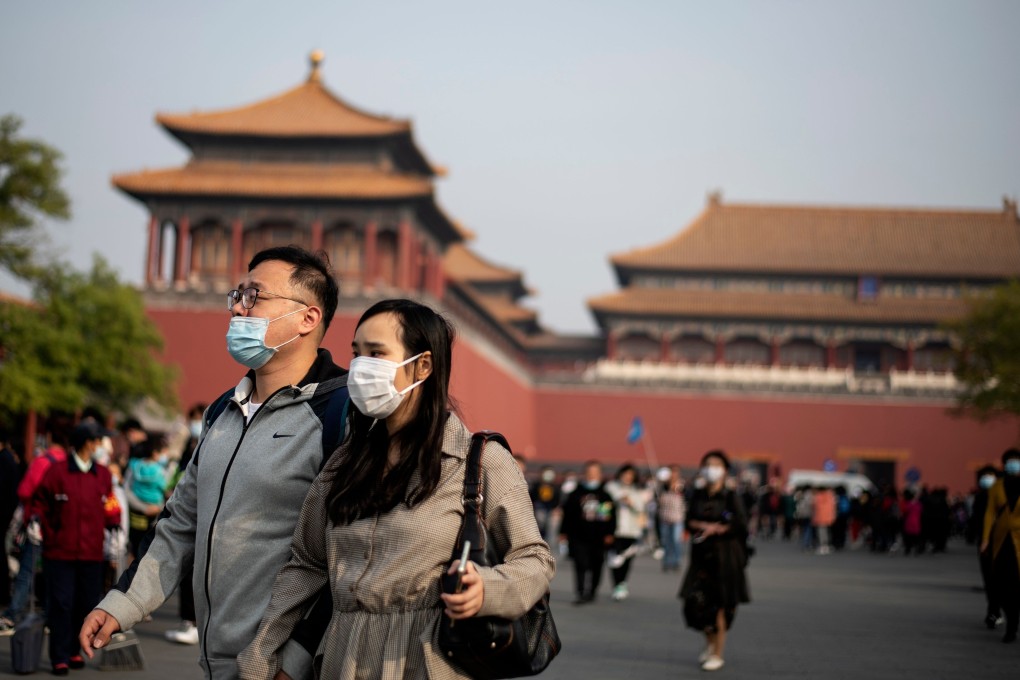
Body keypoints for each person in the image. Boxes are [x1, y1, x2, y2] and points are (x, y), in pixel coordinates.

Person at [237, 298, 554, 680]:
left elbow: (535, 559)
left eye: (376, 353)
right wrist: (263, 656)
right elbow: (306, 564)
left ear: (422, 366)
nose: (359, 367)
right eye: (356, 353)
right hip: (343, 657)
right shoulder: (343, 464)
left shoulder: (478, 462)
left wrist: (486, 589)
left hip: (428, 659)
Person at [80, 246, 349, 680]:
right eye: (238, 295)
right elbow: (180, 522)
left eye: (255, 296)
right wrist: (122, 605)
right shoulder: (223, 410)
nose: (238, 309)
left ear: (308, 318)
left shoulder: (339, 413)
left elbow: (349, 557)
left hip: (284, 667)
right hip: (214, 663)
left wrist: (296, 660)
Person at [34, 421, 121, 675]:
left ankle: (74, 649)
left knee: (86, 604)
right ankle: (59, 655)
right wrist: (37, 522)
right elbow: (40, 502)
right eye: (99, 441)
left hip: (92, 553)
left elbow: (110, 505)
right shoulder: (57, 472)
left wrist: (115, 524)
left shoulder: (103, 475)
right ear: (88, 443)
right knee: (61, 604)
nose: (102, 446)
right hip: (59, 552)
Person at [679, 450, 750, 672]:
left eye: (717, 465)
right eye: (708, 464)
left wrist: (719, 529)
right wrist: (701, 526)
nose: (712, 468)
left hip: (726, 558)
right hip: (701, 558)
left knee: (720, 606)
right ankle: (710, 643)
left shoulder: (731, 496)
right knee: (694, 604)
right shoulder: (697, 494)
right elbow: (688, 520)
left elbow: (741, 525)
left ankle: (718, 653)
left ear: (725, 470)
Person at [164, 403, 207, 646]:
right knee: (186, 568)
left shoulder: (214, 440)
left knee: (195, 571)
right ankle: (188, 621)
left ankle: (195, 623)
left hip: (203, 515)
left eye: (197, 419)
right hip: (187, 511)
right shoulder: (188, 449)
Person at [560, 460, 616, 604]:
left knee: (597, 564)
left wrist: (610, 534)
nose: (592, 476)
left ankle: (592, 591)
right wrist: (563, 532)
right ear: (585, 474)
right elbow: (567, 514)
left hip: (599, 537)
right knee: (580, 563)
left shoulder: (605, 495)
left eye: (595, 473)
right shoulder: (575, 494)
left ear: (600, 474)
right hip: (578, 536)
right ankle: (580, 592)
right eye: (589, 472)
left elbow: (611, 516)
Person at [982, 448, 1020, 643]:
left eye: (1017, 461)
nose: (1014, 464)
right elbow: (990, 513)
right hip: (1002, 542)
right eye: (1011, 461)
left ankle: (1013, 625)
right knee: (1004, 585)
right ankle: (1011, 623)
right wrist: (986, 539)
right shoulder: (997, 486)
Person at [605, 463, 647, 601]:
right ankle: (616, 583)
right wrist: (620, 497)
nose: (627, 477)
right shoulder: (611, 487)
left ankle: (622, 584)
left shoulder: (636, 491)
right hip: (615, 530)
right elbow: (607, 500)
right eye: (625, 474)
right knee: (614, 559)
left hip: (631, 531)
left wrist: (631, 502)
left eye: (630, 475)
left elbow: (640, 507)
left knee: (627, 559)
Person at [125, 434, 168, 558]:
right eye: (163, 452)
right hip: (153, 514)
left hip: (135, 516)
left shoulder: (135, 466)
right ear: (155, 453)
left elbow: (128, 490)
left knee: (133, 550)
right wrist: (155, 508)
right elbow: (164, 488)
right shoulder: (160, 471)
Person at [971, 465, 1002, 628]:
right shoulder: (980, 496)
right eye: (984, 476)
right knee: (989, 578)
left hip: (1005, 543)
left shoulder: (1005, 495)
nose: (987, 479)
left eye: (990, 475)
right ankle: (993, 610)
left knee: (1003, 578)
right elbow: (976, 520)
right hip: (984, 544)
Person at [658, 466, 686, 572]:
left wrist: (675, 487)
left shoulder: (682, 485)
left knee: (676, 540)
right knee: (665, 541)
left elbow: (684, 494)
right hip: (664, 517)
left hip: (677, 518)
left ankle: (676, 561)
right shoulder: (662, 486)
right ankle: (666, 561)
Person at [530, 465, 562, 542]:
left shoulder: (556, 487)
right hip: (538, 511)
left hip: (551, 512)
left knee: (554, 522)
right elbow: (532, 499)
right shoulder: (536, 487)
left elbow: (558, 501)